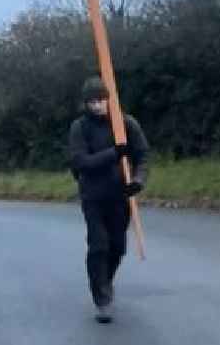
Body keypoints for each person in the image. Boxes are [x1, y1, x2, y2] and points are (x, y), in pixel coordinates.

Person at [68, 76, 150, 323]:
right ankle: (102, 299)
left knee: (117, 247)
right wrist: (114, 152)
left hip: (120, 196)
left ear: (109, 100)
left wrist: (138, 180)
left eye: (101, 100)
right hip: (93, 196)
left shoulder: (126, 124)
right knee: (99, 245)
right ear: (86, 103)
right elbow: (81, 162)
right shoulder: (80, 127)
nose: (97, 106)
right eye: (92, 102)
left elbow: (143, 155)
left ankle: (105, 281)